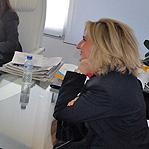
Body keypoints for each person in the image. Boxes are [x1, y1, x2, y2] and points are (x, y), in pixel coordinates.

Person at [53, 18, 149, 149]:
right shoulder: (123, 77)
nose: (78, 45)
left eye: (85, 40)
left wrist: (80, 72)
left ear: (101, 47)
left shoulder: (106, 88)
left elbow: (62, 112)